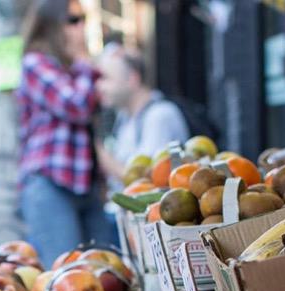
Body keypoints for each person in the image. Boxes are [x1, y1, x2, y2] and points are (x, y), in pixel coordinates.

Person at [16, 0, 117, 265]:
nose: (81, 26)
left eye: (83, 18)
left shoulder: (75, 69)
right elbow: (75, 106)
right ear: (52, 25)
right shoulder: (36, 63)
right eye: (73, 20)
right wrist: (85, 63)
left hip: (86, 185)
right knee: (67, 279)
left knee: (106, 275)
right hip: (51, 183)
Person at [94, 48, 191, 182]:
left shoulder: (159, 116)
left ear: (133, 79)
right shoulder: (124, 116)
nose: (99, 86)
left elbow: (147, 180)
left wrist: (101, 154)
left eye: (105, 78)